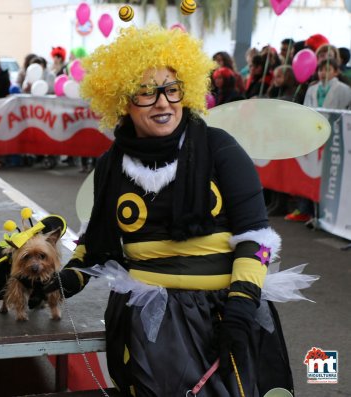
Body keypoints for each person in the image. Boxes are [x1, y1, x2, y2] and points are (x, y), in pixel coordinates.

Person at [26, 25, 294, 396]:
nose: (163, 102)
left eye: (171, 89)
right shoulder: (111, 165)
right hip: (149, 320)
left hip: (225, 309)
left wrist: (242, 304)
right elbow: (97, 246)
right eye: (146, 92)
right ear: (122, 100)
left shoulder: (220, 149)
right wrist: (58, 283)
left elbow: (258, 238)